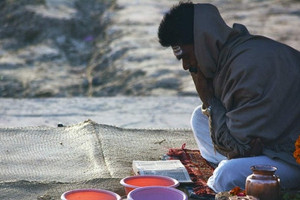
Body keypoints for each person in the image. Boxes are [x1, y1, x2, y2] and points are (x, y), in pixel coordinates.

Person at [158, 2, 300, 193]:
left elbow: (239, 148)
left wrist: (208, 98)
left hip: (290, 158)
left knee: (227, 174)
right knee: (199, 117)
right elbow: (242, 146)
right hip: (270, 142)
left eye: (187, 56)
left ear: (203, 42)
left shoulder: (244, 68)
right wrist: (242, 149)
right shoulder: (230, 54)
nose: (185, 66)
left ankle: (213, 190)